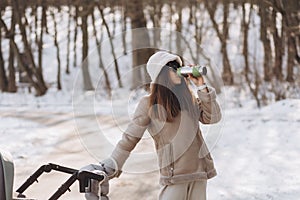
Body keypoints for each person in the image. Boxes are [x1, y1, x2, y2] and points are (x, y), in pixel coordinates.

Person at [82, 51, 222, 200]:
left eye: (178, 66)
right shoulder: (148, 104)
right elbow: (130, 138)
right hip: (175, 176)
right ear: (160, 74)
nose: (177, 70)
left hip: (199, 173)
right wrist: (113, 164)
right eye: (171, 67)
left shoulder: (189, 99)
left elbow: (212, 118)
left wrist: (201, 87)